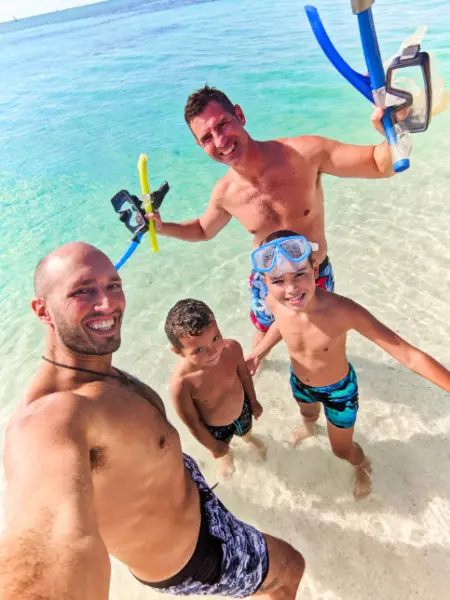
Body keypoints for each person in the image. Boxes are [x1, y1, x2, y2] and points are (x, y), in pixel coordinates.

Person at [2, 241, 305, 599]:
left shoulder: (93, 370)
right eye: (83, 291)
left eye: (113, 285)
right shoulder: (52, 418)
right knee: (290, 568)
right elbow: (53, 541)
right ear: (43, 310)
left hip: (195, 511)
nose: (107, 303)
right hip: (194, 555)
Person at [147, 85, 404, 353]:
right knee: (261, 336)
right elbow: (202, 229)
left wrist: (393, 130)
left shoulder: (304, 154)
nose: (220, 140)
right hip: (266, 281)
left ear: (239, 115)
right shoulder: (225, 193)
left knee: (322, 340)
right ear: (199, 145)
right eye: (207, 137)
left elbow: (378, 164)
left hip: (313, 273)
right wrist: (162, 227)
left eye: (222, 124)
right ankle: (257, 370)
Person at [248, 230, 450, 500]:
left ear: (315, 267)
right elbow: (280, 325)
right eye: (278, 281)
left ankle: (362, 465)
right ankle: (309, 428)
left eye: (299, 274)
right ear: (264, 281)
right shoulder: (274, 301)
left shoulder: (343, 311)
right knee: (307, 414)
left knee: (341, 450)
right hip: (299, 382)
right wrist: (258, 353)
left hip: (338, 392)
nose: (291, 289)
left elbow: (407, 354)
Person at [165, 298, 266, 480]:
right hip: (215, 428)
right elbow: (193, 423)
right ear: (178, 352)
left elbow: (244, 376)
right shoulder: (182, 384)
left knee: (246, 431)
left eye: (216, 338)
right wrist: (213, 445)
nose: (213, 352)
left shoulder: (232, 349)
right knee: (223, 450)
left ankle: (248, 438)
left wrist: (253, 401)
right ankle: (225, 458)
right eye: (198, 350)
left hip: (242, 409)